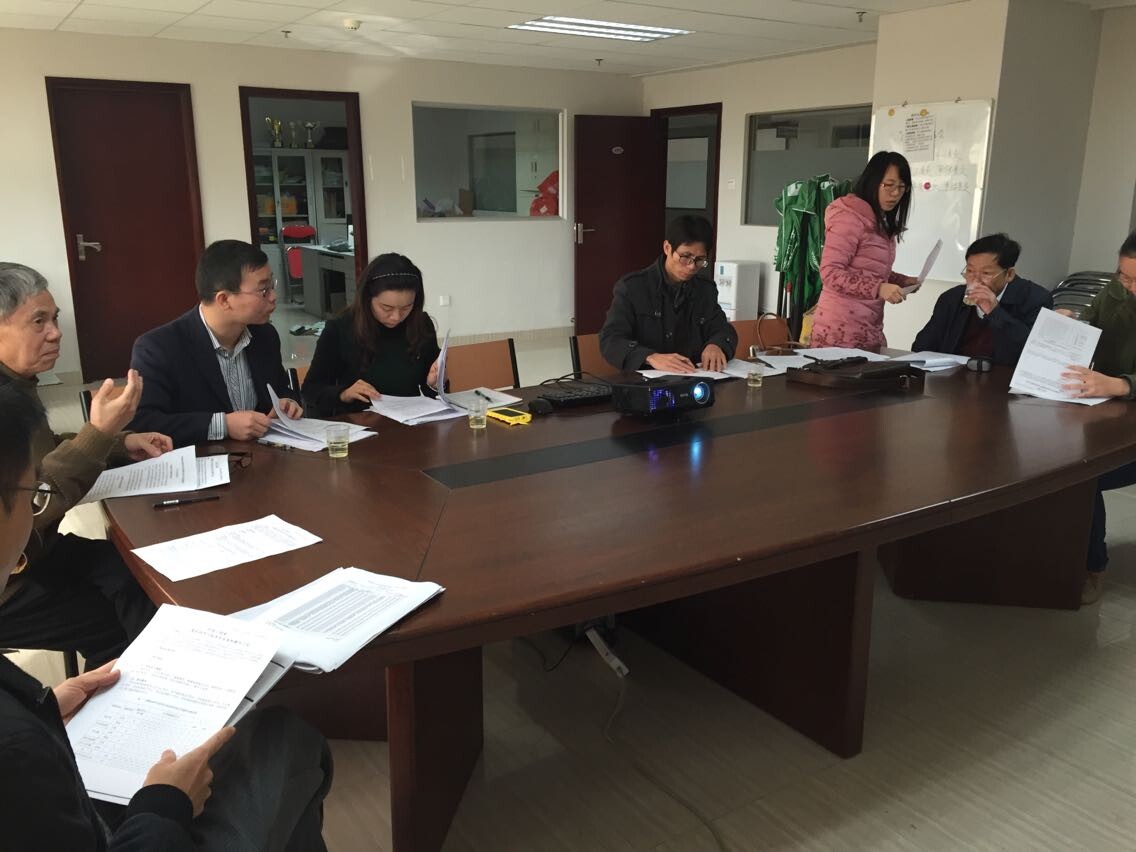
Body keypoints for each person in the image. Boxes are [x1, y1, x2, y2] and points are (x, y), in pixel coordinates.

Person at [0, 383, 333, 850]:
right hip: (135, 826)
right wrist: (164, 803)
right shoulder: (14, 749)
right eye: (35, 496)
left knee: (119, 579)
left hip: (61, 775)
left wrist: (45, 710)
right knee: (283, 739)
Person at [0, 262, 164, 669]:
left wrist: (117, 440)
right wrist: (98, 431)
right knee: (112, 626)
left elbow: (39, 454)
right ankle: (122, 694)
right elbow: (31, 500)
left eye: (54, 319)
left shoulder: (16, 383)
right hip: (11, 578)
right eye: (38, 321)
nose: (55, 333)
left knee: (134, 571)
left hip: (37, 549)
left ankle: (162, 674)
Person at [129, 240, 303, 448]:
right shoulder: (158, 348)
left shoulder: (265, 336)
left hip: (262, 457)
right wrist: (223, 425)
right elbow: (144, 423)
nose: (274, 297)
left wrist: (287, 403)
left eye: (271, 286)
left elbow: (280, 389)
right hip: (199, 461)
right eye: (263, 290)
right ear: (224, 300)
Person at [1057, 231, 1136, 605]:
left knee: (1086, 475)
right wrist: (1070, 323)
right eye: (1124, 276)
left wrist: (1122, 384)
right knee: (1061, 463)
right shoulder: (1117, 289)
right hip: (1110, 407)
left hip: (1121, 402)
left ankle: (1093, 565)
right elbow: (1091, 321)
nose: (1129, 286)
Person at [302, 253, 440, 416]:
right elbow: (310, 390)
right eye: (386, 308)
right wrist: (343, 394)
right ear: (367, 298)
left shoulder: (421, 325)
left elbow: (431, 393)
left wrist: (434, 384)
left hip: (411, 421)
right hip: (359, 423)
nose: (396, 317)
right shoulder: (340, 329)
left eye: (406, 308)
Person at [811, 151, 920, 350]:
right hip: (839, 330)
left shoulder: (880, 220)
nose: (895, 194)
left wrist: (902, 281)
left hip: (868, 326)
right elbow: (830, 273)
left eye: (901, 187)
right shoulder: (849, 217)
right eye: (889, 185)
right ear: (873, 181)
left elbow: (868, 269)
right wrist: (879, 288)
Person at [599, 215, 736, 373]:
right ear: (667, 248)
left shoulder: (705, 289)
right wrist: (649, 357)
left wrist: (716, 345)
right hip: (646, 379)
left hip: (695, 377)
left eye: (699, 260)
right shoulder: (633, 288)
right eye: (685, 257)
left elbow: (723, 329)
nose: (692, 266)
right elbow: (611, 340)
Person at [913, 233, 1053, 366]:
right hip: (953, 376)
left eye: (986, 273)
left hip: (1002, 379)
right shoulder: (952, 298)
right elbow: (921, 348)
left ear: (1009, 274)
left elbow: (1034, 355)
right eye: (970, 271)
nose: (976, 280)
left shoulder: (1035, 299)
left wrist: (995, 312)